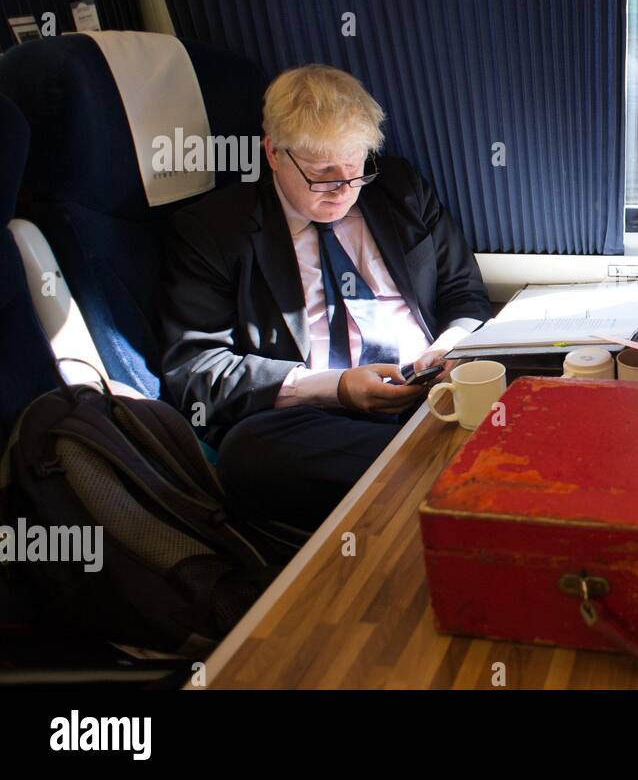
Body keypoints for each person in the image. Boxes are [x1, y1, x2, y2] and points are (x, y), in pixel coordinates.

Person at [161, 64, 492, 528]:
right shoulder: (214, 232)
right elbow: (198, 371)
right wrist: (335, 389)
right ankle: (462, 473)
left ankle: (444, 478)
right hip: (322, 420)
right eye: (323, 174)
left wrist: (452, 346)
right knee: (248, 452)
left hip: (435, 387)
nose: (344, 190)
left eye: (356, 169)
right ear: (274, 153)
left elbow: (464, 292)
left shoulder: (399, 188)